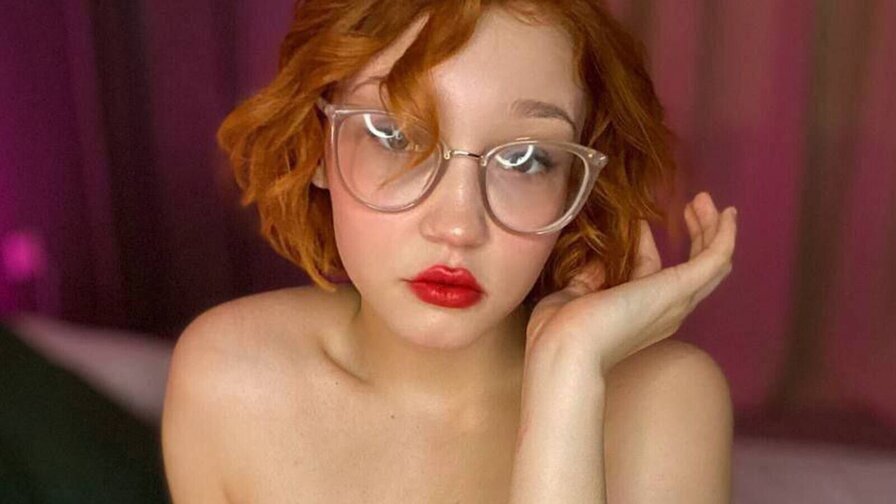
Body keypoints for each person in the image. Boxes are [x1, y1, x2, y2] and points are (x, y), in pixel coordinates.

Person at [161, 1, 738, 502]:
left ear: (575, 185)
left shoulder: (667, 403)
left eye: (526, 159)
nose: (459, 226)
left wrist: (567, 372)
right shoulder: (228, 378)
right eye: (396, 136)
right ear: (317, 145)